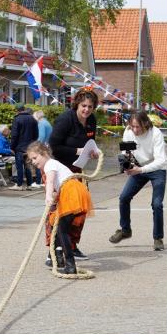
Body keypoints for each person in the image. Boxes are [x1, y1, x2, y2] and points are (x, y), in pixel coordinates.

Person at [27, 141, 93, 274]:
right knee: (59, 228)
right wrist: (54, 196)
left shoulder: (50, 165)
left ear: (44, 154)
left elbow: (50, 181)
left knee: (62, 230)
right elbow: (57, 185)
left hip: (71, 193)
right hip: (74, 192)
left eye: (35, 158)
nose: (33, 162)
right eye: (31, 159)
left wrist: (48, 196)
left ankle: (70, 265)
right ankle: (58, 257)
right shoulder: (55, 164)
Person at [49, 87, 99, 261]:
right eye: (83, 106)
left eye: (90, 107)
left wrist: (92, 152)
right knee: (59, 209)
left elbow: (91, 142)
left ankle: (71, 245)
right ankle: (53, 250)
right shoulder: (65, 120)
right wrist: (76, 150)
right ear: (77, 104)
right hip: (59, 167)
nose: (86, 110)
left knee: (81, 207)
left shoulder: (92, 120)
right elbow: (54, 146)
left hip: (78, 169)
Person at [109, 110, 167, 251]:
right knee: (124, 197)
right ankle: (125, 230)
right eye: (132, 126)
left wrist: (141, 170)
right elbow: (126, 152)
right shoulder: (128, 131)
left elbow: (161, 160)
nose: (135, 130)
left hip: (157, 169)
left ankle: (158, 238)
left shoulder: (156, 134)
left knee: (157, 204)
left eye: (138, 127)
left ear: (145, 124)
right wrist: (127, 165)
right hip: (139, 168)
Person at [9, 103, 39, 191]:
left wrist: (12, 146)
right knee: (28, 166)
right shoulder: (33, 119)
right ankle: (29, 184)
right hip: (29, 147)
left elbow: (14, 135)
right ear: (24, 109)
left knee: (19, 167)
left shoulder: (17, 119)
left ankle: (19, 185)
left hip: (19, 147)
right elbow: (36, 135)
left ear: (17, 110)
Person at [32, 110, 53, 188]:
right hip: (48, 146)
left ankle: (38, 182)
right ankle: (44, 181)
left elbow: (41, 137)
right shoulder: (46, 122)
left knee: (39, 163)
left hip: (43, 147)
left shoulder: (41, 123)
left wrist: (35, 146)